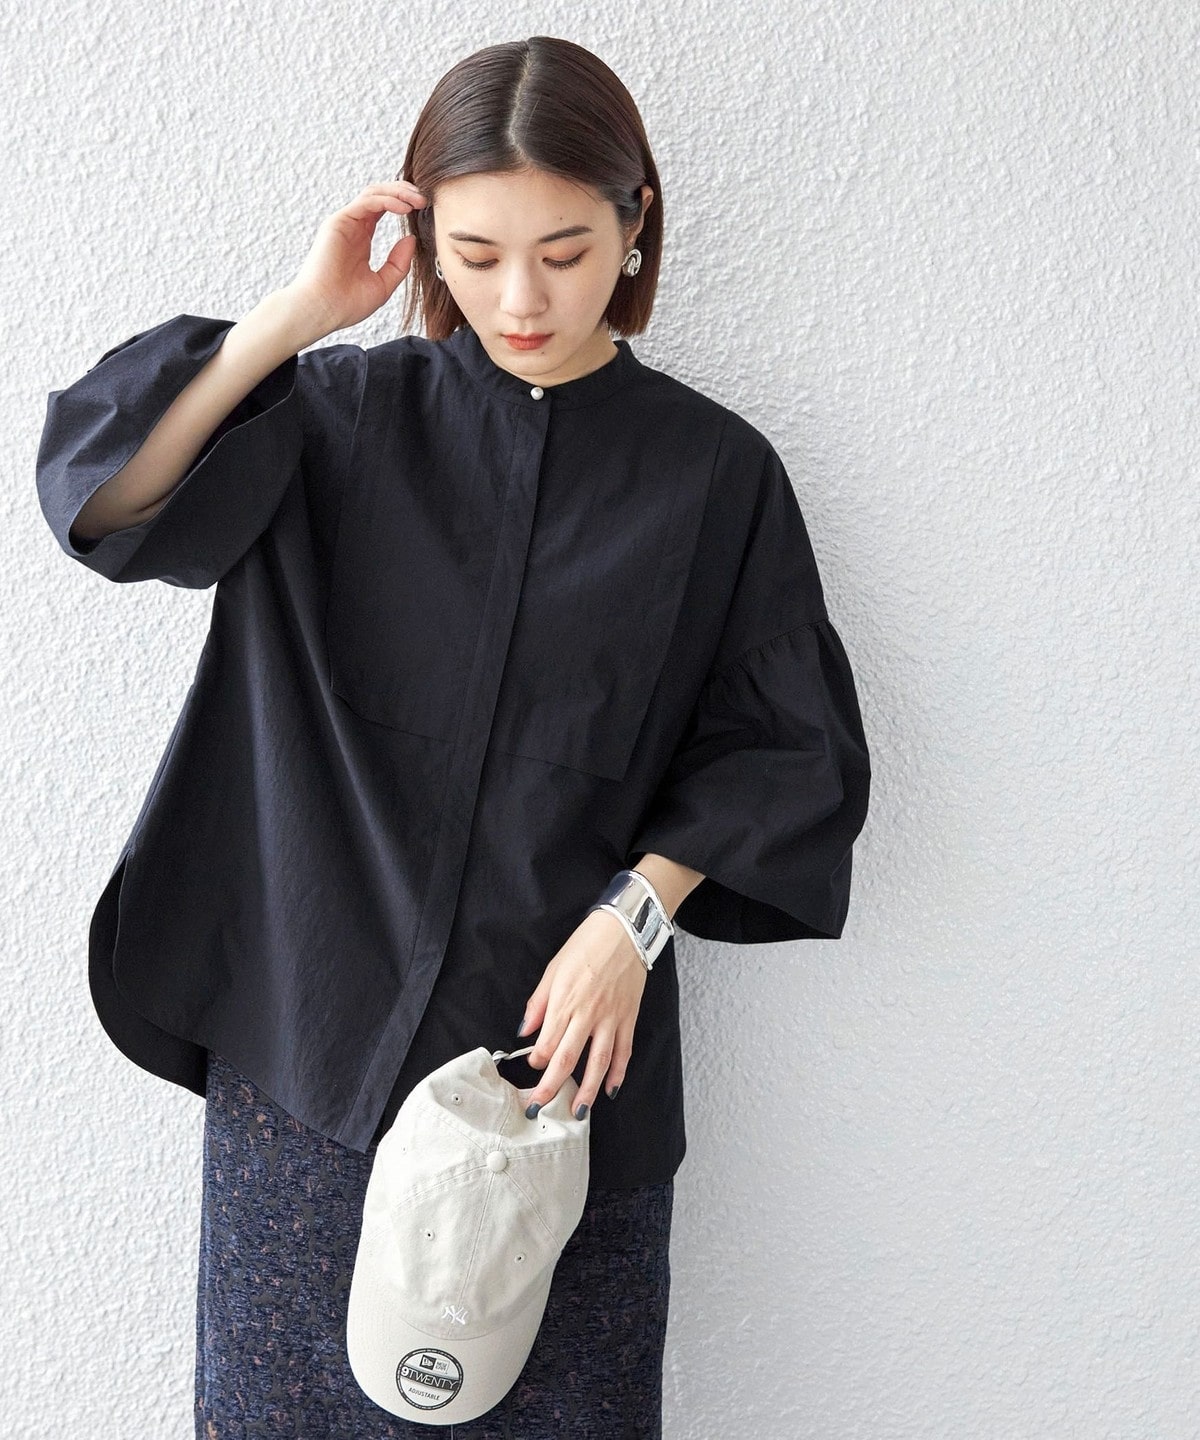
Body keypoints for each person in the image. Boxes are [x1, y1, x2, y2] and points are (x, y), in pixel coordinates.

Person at [36, 34, 871, 1440]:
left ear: (635, 224)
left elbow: (787, 753)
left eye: (565, 250)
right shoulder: (336, 419)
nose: (521, 298)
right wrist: (298, 318)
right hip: (307, 1063)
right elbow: (109, 503)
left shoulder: (713, 475)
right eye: (476, 254)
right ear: (425, 240)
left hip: (562, 1096)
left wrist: (634, 920)